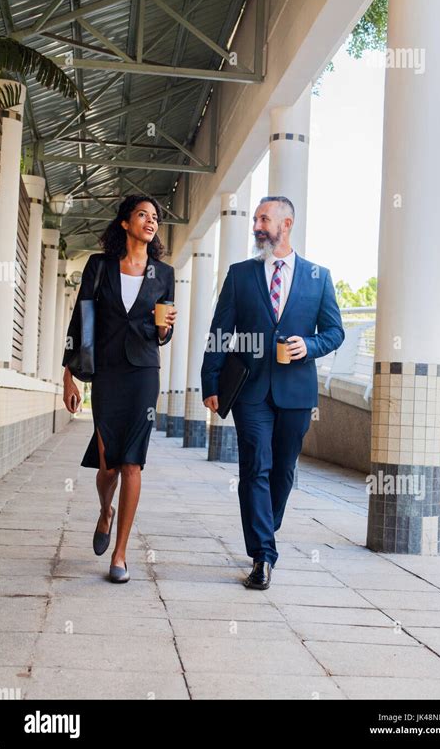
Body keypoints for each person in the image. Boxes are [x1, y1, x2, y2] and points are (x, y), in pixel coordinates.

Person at [201, 196, 345, 590]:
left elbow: (335, 331)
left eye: (264, 219)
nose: (257, 226)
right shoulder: (240, 274)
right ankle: (263, 554)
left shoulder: (319, 276)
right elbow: (220, 331)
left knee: (283, 470)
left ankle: (266, 525)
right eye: (256, 219)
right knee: (255, 467)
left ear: (287, 224)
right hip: (249, 390)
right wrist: (210, 382)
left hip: (296, 392)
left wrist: (309, 346)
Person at [62, 195, 177, 583]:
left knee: (132, 461)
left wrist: (165, 328)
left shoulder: (163, 274)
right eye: (142, 214)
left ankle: (121, 553)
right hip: (108, 372)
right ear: (125, 223)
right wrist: (68, 375)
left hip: (144, 370)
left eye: (155, 217)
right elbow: (81, 320)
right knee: (108, 462)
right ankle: (105, 510)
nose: (151, 221)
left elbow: (165, 332)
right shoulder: (99, 266)